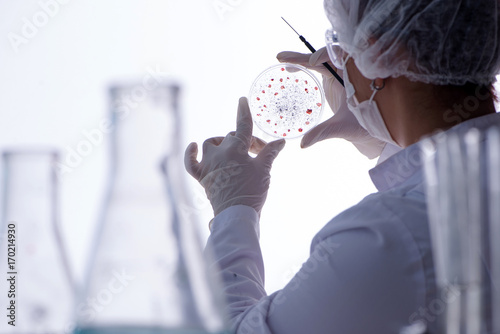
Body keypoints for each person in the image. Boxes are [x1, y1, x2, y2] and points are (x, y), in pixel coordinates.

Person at [184, 0, 500, 332]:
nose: (339, 63)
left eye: (341, 45)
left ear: (377, 53)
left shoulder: (384, 236)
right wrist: (389, 138)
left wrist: (234, 211)